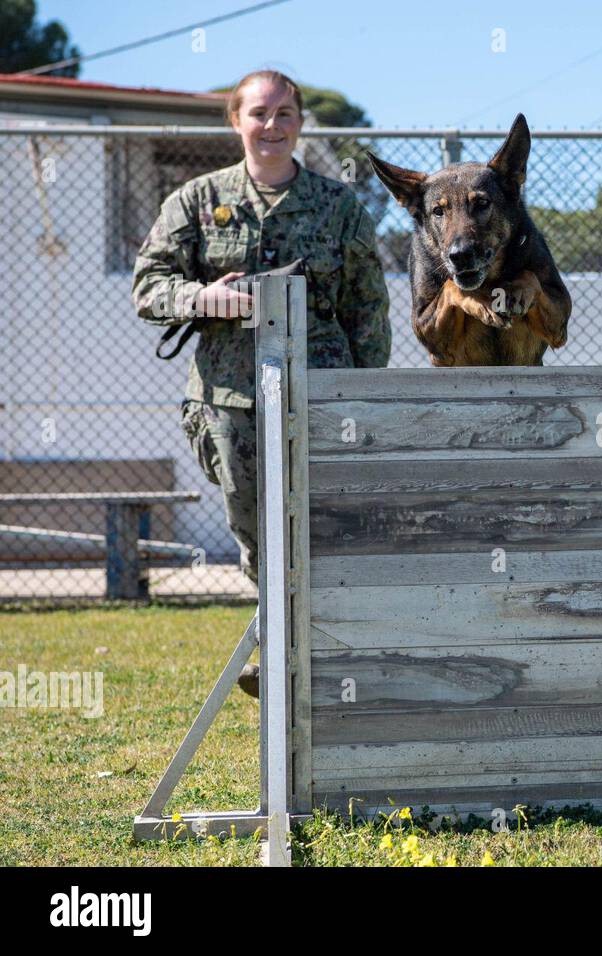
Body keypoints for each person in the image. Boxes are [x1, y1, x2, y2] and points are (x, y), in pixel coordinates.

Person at [133, 69, 390, 695]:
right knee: (257, 535)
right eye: (258, 113)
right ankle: (285, 649)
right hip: (231, 403)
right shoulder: (196, 201)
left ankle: (303, 654)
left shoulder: (339, 206)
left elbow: (367, 309)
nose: (271, 126)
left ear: (300, 123)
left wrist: (363, 400)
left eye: (283, 114)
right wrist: (201, 298)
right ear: (235, 121)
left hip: (319, 397)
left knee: (319, 528)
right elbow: (149, 286)